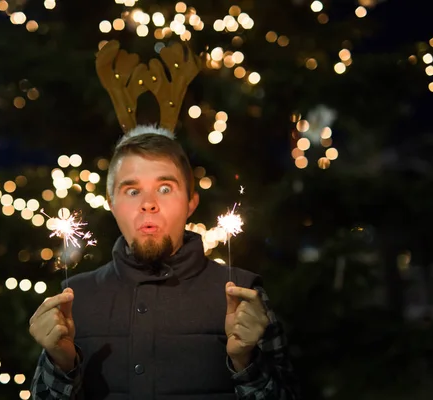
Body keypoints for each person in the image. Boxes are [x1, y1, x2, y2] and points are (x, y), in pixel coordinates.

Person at [28, 125, 299, 399]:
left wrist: (246, 362)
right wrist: (61, 363)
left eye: (165, 188)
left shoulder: (243, 295)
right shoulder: (73, 300)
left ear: (190, 202)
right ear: (111, 203)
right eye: (132, 191)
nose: (148, 203)